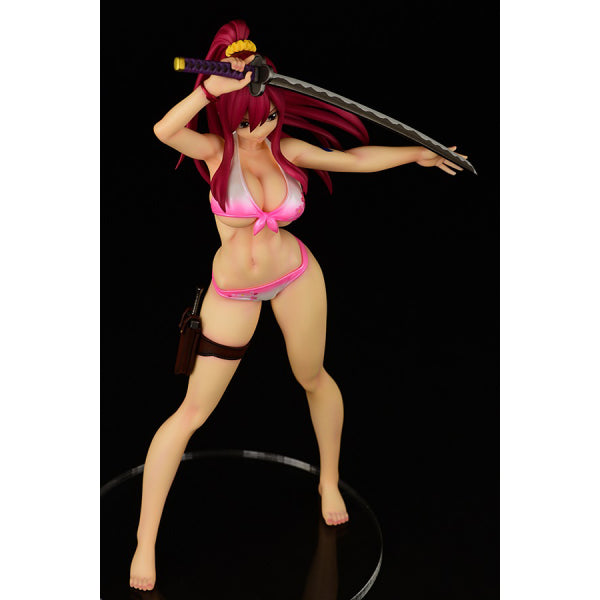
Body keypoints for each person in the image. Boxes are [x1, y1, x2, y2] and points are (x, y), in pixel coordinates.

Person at [130, 19, 466, 592]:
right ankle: (145, 540)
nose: (259, 130)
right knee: (191, 412)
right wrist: (207, 91)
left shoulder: (288, 150)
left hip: (296, 276)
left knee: (312, 376)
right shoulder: (214, 153)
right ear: (229, 118)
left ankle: (328, 479)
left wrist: (416, 154)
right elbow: (164, 130)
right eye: (247, 122)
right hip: (233, 293)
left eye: (267, 117)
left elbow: (355, 160)